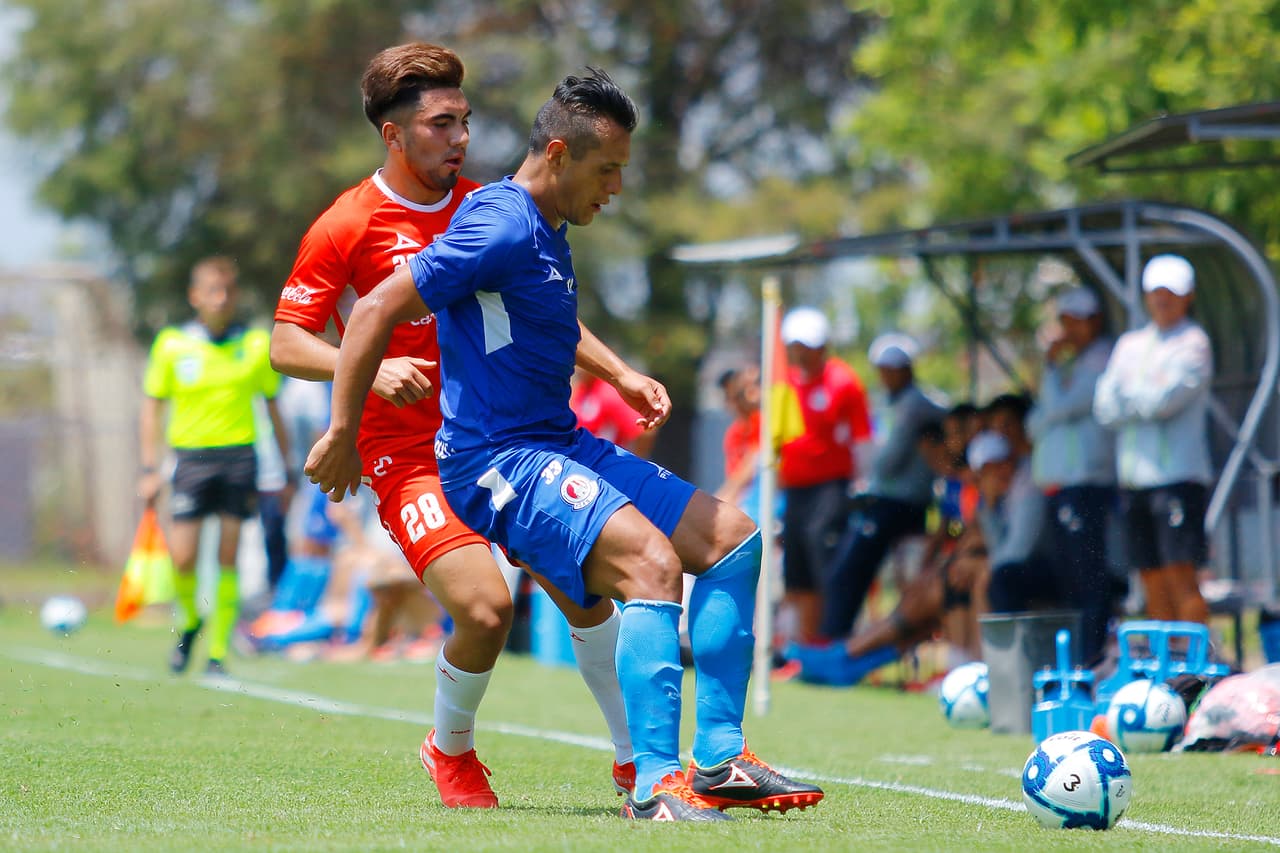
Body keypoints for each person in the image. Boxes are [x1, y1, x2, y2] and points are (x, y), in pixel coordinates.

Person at [305, 68, 823, 822]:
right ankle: (652, 783)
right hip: (494, 460)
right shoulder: (502, 222)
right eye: (606, 168)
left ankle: (717, 760)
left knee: (734, 539)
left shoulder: (543, 229)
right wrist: (342, 431)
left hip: (557, 441)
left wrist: (620, 374)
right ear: (557, 152)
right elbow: (379, 303)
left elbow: (543, 320)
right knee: (650, 562)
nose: (615, 187)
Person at [269, 44, 633, 809]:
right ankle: (451, 748)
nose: (459, 137)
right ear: (394, 136)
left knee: (588, 595)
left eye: (464, 121)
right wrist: (356, 368)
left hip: (506, 439)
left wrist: (619, 373)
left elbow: (547, 308)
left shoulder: (489, 207)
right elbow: (285, 339)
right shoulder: (347, 222)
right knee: (485, 607)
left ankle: (636, 759)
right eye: (440, 124)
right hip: (407, 455)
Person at [138, 255, 292, 677]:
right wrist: (149, 468)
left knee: (228, 557)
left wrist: (289, 467)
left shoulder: (256, 345)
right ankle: (190, 619)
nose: (220, 299)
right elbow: (152, 408)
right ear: (195, 297)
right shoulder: (171, 344)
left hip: (240, 458)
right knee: (183, 557)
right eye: (211, 291)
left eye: (227, 291)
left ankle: (218, 652)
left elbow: (273, 406)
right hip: (189, 459)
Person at [1094, 254, 1213, 625]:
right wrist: (1141, 393)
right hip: (1135, 482)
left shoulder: (1194, 342)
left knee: (1181, 575)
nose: (1162, 300)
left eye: (1171, 292)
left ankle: (1195, 665)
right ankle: (1167, 665)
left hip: (1178, 478)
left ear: (1188, 295)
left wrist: (1128, 392)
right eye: (1156, 292)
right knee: (1150, 576)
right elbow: (1104, 408)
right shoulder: (1130, 344)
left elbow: (1162, 403)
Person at [811, 332, 947, 644]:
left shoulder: (914, 404)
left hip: (901, 503)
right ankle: (836, 639)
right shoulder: (894, 402)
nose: (886, 375)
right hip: (889, 500)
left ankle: (836, 640)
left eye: (892, 367)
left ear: (906, 369)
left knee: (849, 569)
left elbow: (887, 461)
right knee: (844, 567)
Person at [1027, 286, 1116, 664]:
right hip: (1061, 488)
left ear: (1095, 320)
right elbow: (1035, 423)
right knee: (1071, 581)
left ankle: (1091, 661)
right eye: (1065, 321)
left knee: (1089, 580)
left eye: (1077, 320)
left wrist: (1048, 377)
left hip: (1087, 487)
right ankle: (1079, 661)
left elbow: (1060, 407)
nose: (1070, 329)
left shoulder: (1102, 358)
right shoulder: (1069, 363)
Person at [777, 306, 873, 644]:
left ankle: (833, 637)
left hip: (832, 486)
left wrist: (865, 485)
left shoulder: (843, 381)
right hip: (794, 489)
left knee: (825, 554)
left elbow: (862, 438)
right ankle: (806, 644)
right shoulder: (783, 384)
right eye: (798, 345)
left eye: (810, 345)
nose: (803, 352)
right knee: (798, 564)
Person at [571, 365, 658, 457]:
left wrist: (635, 463)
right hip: (582, 462)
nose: (578, 367)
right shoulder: (582, 389)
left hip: (603, 463)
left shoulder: (609, 392)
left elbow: (645, 431)